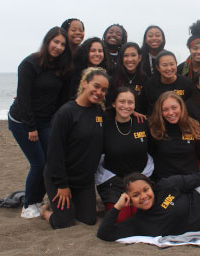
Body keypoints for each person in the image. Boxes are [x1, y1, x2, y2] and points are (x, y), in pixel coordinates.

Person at [8, 26, 72, 218]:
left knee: (51, 163)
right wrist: (31, 127)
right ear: (47, 41)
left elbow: (62, 99)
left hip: (46, 122)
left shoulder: (63, 67)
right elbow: (23, 98)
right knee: (38, 163)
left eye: (62, 44)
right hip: (22, 121)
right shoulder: (29, 64)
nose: (58, 47)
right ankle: (28, 204)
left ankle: (37, 199)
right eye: (56, 42)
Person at [40, 67, 109, 229]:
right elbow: (54, 152)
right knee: (64, 222)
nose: (99, 92)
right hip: (60, 178)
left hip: (83, 181)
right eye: (96, 86)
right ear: (85, 83)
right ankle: (45, 211)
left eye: (104, 90)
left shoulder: (99, 112)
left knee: (89, 219)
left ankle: (71, 204)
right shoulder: (66, 113)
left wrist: (133, 114)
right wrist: (62, 185)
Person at [96, 86, 152, 223]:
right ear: (114, 103)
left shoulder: (142, 122)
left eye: (130, 102)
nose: (126, 106)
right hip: (113, 182)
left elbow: (152, 151)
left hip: (139, 181)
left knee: (142, 216)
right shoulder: (104, 124)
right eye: (122, 101)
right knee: (122, 219)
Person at [147, 91, 200, 181]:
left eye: (174, 108)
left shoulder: (193, 126)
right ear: (160, 111)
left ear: (181, 107)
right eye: (165, 110)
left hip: (192, 182)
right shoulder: (153, 129)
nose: (171, 113)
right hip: (166, 185)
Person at [142, 51, 193, 115]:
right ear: (158, 67)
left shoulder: (187, 83)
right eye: (164, 65)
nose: (169, 68)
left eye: (172, 64)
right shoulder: (149, 84)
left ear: (176, 64)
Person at [64, 37, 110, 102]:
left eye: (100, 51)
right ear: (85, 52)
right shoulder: (73, 73)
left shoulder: (106, 75)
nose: (97, 54)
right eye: (93, 51)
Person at [109, 42, 147, 114]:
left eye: (133, 55)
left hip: (137, 119)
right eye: (126, 55)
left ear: (139, 58)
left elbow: (145, 104)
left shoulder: (144, 77)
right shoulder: (112, 74)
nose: (129, 59)